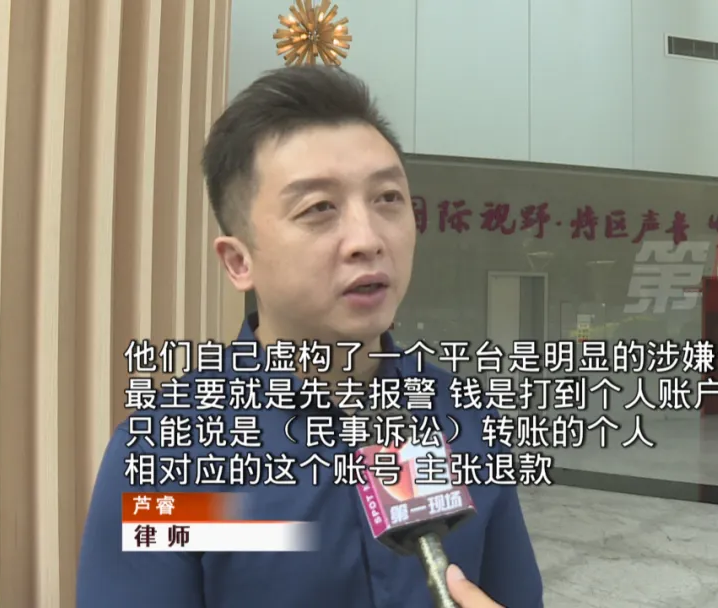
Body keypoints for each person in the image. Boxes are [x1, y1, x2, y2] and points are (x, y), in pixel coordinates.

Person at [76, 66, 543, 607]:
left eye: (388, 198)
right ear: (239, 262)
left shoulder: (463, 413)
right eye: (319, 208)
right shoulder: (167, 453)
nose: (367, 239)